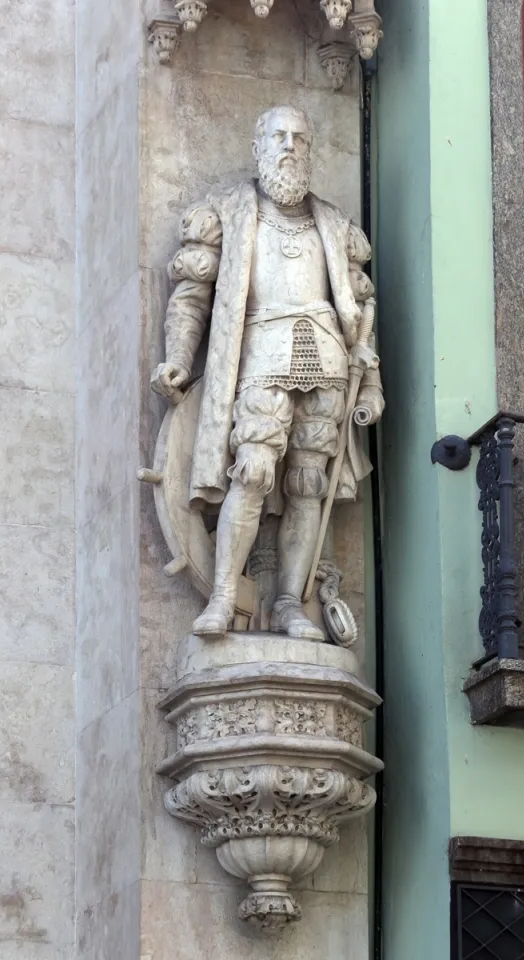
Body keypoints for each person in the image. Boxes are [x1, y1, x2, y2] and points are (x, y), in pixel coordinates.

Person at [151, 105, 384, 639]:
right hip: (260, 354)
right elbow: (192, 298)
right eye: (278, 136)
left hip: (325, 359)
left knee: (307, 483)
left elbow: (362, 315)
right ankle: (224, 596)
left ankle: (288, 603)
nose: (289, 146)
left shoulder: (334, 226)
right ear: (258, 147)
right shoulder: (227, 213)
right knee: (253, 472)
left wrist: (368, 380)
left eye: (300, 138)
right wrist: (180, 360)